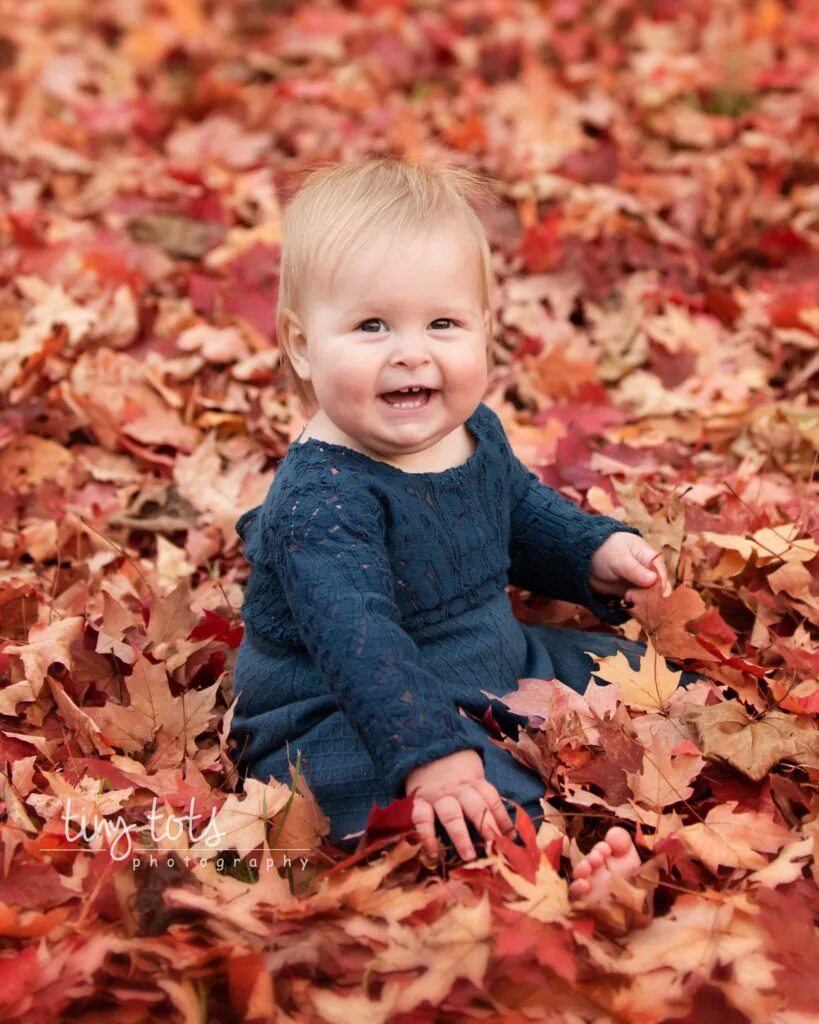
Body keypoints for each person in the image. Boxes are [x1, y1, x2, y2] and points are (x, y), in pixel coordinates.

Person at [230, 156, 701, 906]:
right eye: (371, 325)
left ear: (485, 329)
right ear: (299, 344)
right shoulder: (320, 501)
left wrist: (590, 551)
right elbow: (359, 643)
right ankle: (541, 880)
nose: (410, 351)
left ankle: (619, 779)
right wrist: (429, 754)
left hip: (484, 653)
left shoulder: (470, 431)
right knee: (464, 799)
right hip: (343, 705)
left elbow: (516, 509)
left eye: (441, 323)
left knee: (651, 687)